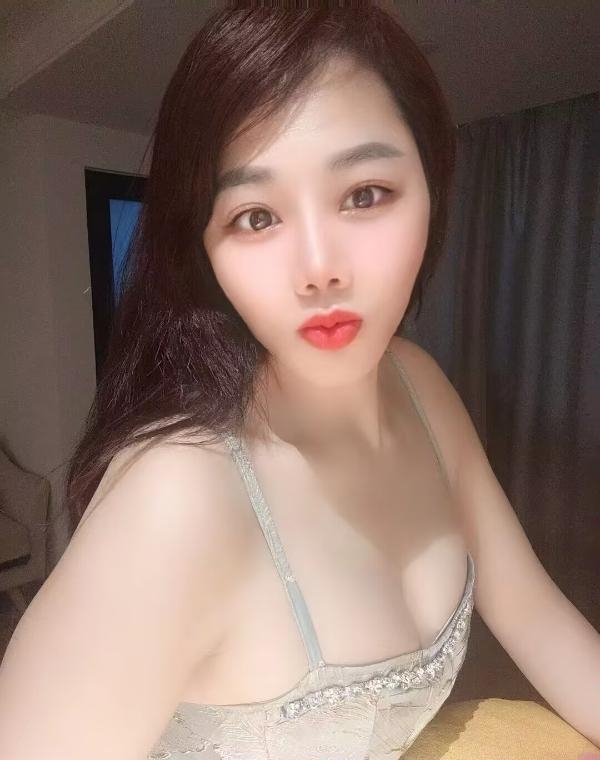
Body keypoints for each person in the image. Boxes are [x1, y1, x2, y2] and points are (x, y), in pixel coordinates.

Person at [0, 3, 598, 759]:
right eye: (256, 216)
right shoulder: (177, 497)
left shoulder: (418, 386)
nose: (319, 270)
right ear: (204, 249)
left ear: (433, 186)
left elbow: (534, 614)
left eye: (365, 194)